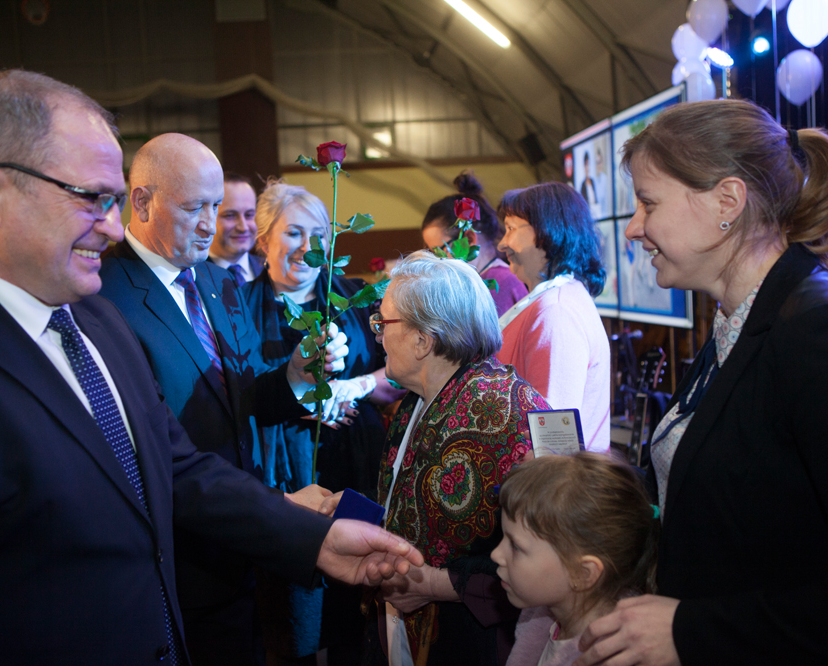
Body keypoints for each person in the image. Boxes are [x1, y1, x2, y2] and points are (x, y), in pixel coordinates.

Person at [0, 69, 423, 666]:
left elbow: (174, 466)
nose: (111, 225)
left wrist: (312, 539)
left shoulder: (86, 317)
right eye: (90, 198)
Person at [574, 100, 828, 665]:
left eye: (649, 203)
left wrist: (692, 630)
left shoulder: (825, 336)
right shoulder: (739, 323)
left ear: (727, 202)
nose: (634, 228)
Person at [98, 135, 341, 665]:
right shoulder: (105, 296)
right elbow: (146, 453)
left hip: (244, 549)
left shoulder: (217, 280)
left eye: (216, 206)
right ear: (142, 202)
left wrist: (296, 375)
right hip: (180, 560)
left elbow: (249, 401)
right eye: (195, 208)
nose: (211, 224)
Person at [323, 250, 551, 666]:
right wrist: (352, 510)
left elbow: (555, 552)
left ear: (422, 340)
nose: (377, 336)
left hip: (471, 644)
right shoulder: (416, 400)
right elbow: (413, 509)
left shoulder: (512, 412)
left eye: (383, 323)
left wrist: (436, 584)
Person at [241, 180, 401, 663]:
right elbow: (239, 394)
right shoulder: (239, 307)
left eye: (319, 235)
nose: (308, 247)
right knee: (293, 617)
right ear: (263, 239)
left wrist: (356, 386)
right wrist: (300, 398)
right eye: (293, 233)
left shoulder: (354, 298)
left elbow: (396, 375)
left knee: (358, 606)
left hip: (355, 463)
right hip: (284, 469)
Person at [491, 454, 658, 666]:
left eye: (515, 546)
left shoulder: (610, 658)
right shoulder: (543, 618)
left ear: (582, 573)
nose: (495, 555)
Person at [495, 183, 611, 452]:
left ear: (548, 231)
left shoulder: (555, 310)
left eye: (511, 228)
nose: (502, 243)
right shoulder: (555, 300)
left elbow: (553, 434)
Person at [420, 171, 527, 317]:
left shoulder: (501, 283)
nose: (438, 262)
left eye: (441, 250)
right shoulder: (476, 281)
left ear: (469, 239)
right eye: (433, 254)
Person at [208, 172, 264, 285]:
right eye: (230, 216)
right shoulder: (191, 276)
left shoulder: (270, 271)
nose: (243, 227)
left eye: (249, 215)